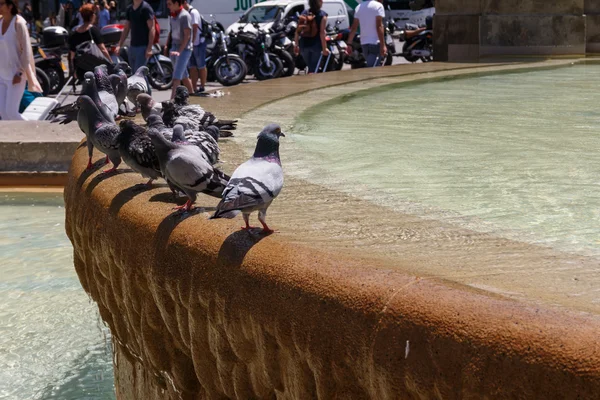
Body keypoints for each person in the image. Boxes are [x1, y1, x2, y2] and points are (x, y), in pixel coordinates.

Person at [0, 0, 42, 120]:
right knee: (3, 113)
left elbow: (26, 51)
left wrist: (20, 72)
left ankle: (34, 129)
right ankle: (13, 137)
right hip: (1, 75)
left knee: (11, 112)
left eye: (2, 4)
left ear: (10, 6)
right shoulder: (0, 22)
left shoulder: (18, 23)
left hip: (16, 75)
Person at [67, 3, 111, 79]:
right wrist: (110, 62)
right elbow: (103, 49)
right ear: (92, 16)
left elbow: (72, 56)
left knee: (86, 88)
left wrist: (73, 70)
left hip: (81, 70)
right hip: (95, 68)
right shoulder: (93, 30)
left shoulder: (74, 33)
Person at [115, 0, 155, 74]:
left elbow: (152, 28)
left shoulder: (146, 8)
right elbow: (126, 28)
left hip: (143, 47)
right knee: (134, 74)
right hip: (132, 47)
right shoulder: (129, 9)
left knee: (139, 74)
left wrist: (149, 48)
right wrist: (119, 45)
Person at [346, 0, 387, 67]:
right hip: (375, 42)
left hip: (364, 43)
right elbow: (379, 26)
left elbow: (354, 28)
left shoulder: (359, 7)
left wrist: (349, 44)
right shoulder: (378, 6)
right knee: (373, 68)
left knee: (371, 66)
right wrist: (383, 45)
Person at [165, 0, 193, 98]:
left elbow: (187, 35)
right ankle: (192, 93)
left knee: (176, 77)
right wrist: (167, 45)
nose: (168, 6)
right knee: (184, 75)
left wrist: (180, 51)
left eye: (169, 4)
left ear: (177, 3)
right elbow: (171, 32)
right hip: (174, 47)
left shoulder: (185, 16)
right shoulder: (173, 16)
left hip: (184, 49)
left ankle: (172, 101)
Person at [293, 0, 328, 74]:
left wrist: (296, 45)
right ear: (320, 2)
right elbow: (322, 33)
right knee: (314, 68)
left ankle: (310, 82)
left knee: (310, 67)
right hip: (316, 45)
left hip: (303, 45)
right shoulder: (322, 15)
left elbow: (297, 31)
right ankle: (313, 84)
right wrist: (324, 48)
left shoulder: (304, 13)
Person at [185, 0, 206, 94]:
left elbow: (195, 28)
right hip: (191, 45)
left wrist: (192, 42)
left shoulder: (193, 12)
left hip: (198, 43)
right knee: (192, 67)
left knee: (201, 66)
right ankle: (194, 88)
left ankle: (202, 86)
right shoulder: (184, 13)